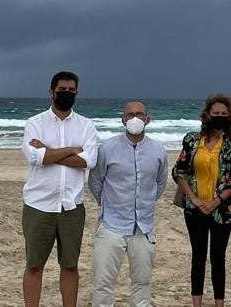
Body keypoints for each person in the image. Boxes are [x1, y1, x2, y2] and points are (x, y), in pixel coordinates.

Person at [20, 71, 99, 307]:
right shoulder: (34, 123)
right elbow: (35, 158)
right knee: (34, 265)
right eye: (62, 89)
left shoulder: (86, 125)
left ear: (77, 92)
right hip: (38, 205)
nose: (66, 93)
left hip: (72, 207)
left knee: (70, 265)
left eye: (71, 90)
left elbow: (89, 161)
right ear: (51, 91)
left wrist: (49, 151)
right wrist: (72, 150)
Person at [88, 101, 168, 307]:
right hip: (111, 226)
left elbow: (159, 184)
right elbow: (96, 182)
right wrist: (110, 205)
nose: (135, 118)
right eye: (130, 114)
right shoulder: (107, 148)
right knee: (103, 283)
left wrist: (144, 203)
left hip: (144, 228)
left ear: (147, 120)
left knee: (142, 282)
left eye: (139, 114)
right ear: (123, 120)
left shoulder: (158, 151)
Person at [173, 94, 231, 307]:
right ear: (207, 115)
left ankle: (218, 304)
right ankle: (197, 303)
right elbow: (179, 171)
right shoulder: (192, 140)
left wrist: (215, 202)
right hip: (194, 208)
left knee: (218, 257)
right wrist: (194, 199)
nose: (220, 117)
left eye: (224, 114)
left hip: (222, 209)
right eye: (216, 114)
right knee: (198, 256)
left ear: (230, 116)